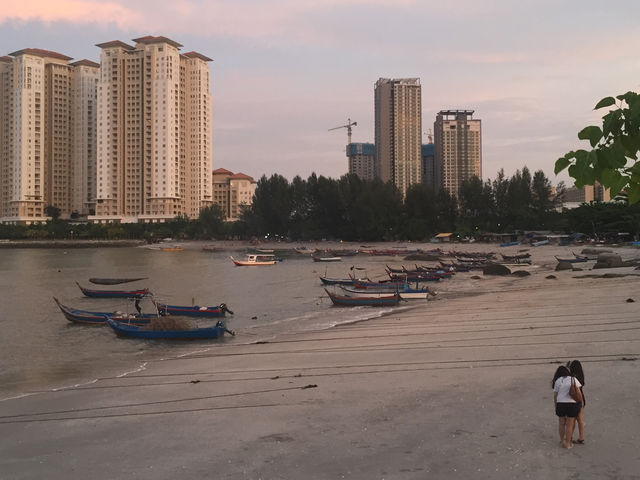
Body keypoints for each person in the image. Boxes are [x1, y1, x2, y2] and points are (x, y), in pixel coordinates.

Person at [552, 365, 582, 449]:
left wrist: (555, 405)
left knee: (561, 423)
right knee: (569, 424)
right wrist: (581, 403)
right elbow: (578, 393)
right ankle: (568, 444)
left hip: (561, 403)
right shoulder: (573, 379)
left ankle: (562, 441)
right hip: (572, 404)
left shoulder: (558, 380)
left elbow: (555, 395)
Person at [567, 360, 586, 444]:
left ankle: (570, 437)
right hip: (581, 398)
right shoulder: (581, 376)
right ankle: (581, 438)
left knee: (572, 420)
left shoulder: (571, 377)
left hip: (573, 399)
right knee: (580, 420)